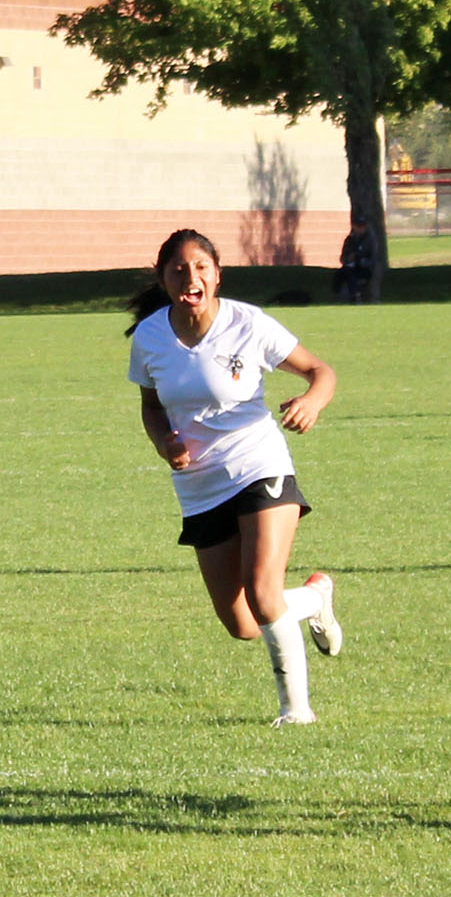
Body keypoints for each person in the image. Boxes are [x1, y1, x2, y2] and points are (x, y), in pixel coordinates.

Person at [126, 229, 345, 726]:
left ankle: (297, 712)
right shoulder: (151, 337)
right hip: (200, 486)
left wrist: (312, 400)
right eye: (179, 269)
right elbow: (150, 407)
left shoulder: (249, 324)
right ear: (164, 279)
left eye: (201, 266)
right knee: (243, 623)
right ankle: (314, 598)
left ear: (217, 274)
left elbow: (320, 371)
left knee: (263, 591)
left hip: (259, 464)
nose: (191, 277)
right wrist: (166, 443)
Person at [335, 212, 376, 303]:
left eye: (362, 226)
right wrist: (347, 259)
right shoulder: (349, 240)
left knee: (351, 275)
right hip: (350, 267)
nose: (361, 228)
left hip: (364, 268)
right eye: (358, 226)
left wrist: (359, 259)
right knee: (342, 274)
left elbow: (371, 258)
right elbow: (343, 258)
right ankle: (337, 296)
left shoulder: (368, 240)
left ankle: (356, 296)